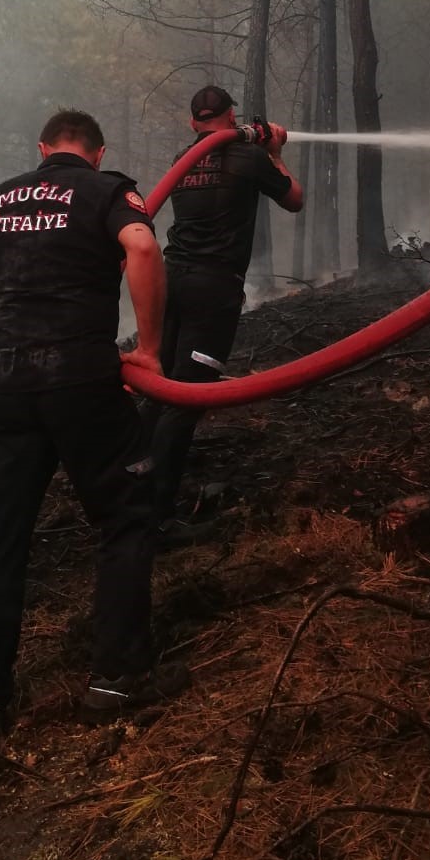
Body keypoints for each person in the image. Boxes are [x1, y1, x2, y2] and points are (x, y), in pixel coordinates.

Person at [0, 109, 187, 745]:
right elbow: (141, 246)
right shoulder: (108, 187)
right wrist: (149, 348)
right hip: (80, 377)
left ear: (41, 149)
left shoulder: (1, 196)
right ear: (97, 150)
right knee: (125, 513)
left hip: (3, 383)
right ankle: (116, 678)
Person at [141, 84, 304, 546]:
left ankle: (132, 490)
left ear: (194, 123)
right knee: (187, 398)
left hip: (170, 282)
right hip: (213, 291)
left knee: (159, 387)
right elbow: (294, 198)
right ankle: (155, 518)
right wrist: (274, 151)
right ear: (231, 117)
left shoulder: (183, 160)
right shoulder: (248, 159)